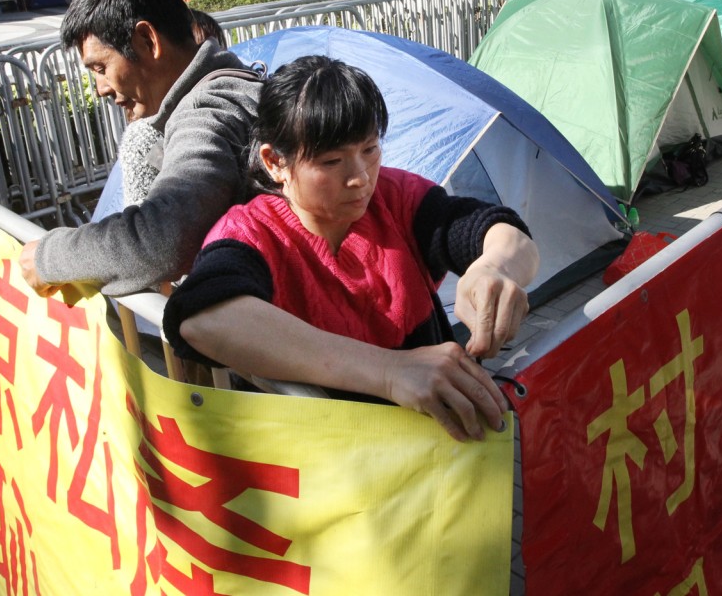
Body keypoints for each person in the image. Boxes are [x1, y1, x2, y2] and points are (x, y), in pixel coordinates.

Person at [163, 56, 541, 442]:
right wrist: (390, 371)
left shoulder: (397, 199)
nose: (360, 178)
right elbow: (201, 318)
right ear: (275, 162)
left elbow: (503, 232)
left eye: (370, 149)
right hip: (324, 464)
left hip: (438, 458)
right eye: (331, 161)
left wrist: (495, 268)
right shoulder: (252, 233)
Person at [18, 0, 263, 297]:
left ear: (148, 40)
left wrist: (50, 256)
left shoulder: (205, 114)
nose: (100, 88)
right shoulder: (236, 87)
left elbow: (163, 237)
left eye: (101, 68)